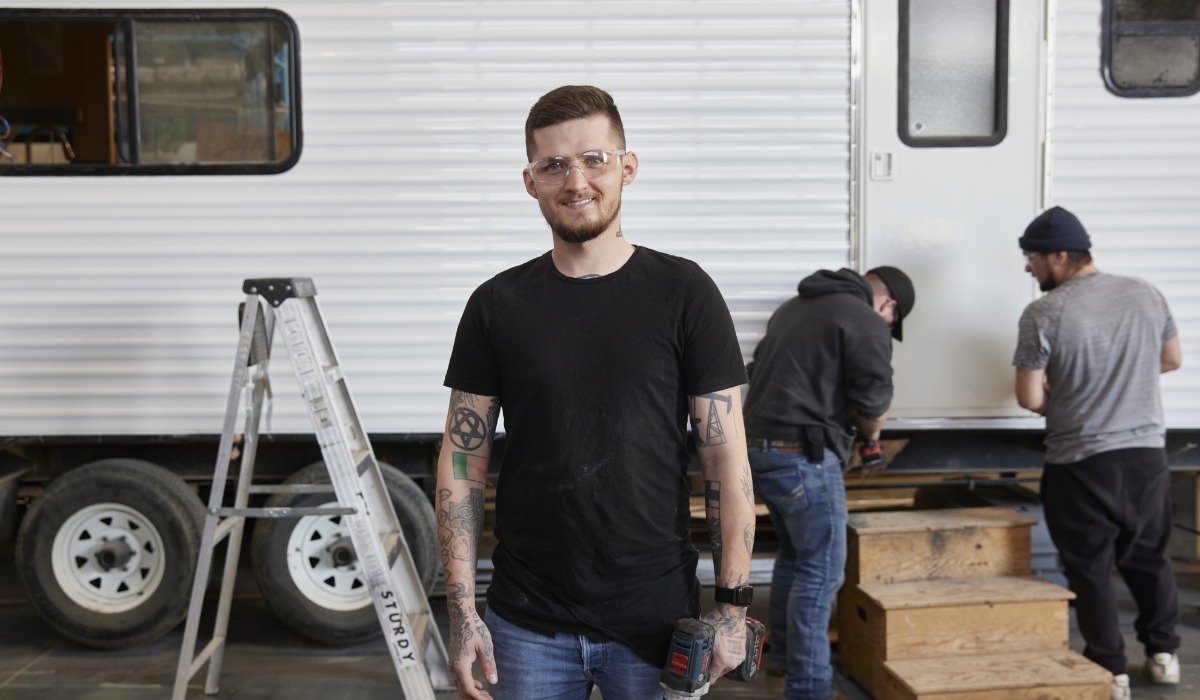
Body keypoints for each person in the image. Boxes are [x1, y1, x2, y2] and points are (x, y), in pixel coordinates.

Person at [436, 85, 755, 700]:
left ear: (627, 168)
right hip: (525, 624)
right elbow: (460, 462)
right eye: (553, 165)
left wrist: (732, 608)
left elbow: (725, 460)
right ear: (530, 182)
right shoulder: (496, 305)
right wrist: (462, 611)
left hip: (657, 620)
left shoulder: (685, 293)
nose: (575, 181)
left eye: (594, 159)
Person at [1012, 206, 1183, 700]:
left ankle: (1112, 670)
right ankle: (1163, 655)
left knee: (1089, 565)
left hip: (1081, 462)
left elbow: (1029, 398)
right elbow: (1171, 359)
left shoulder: (1044, 313)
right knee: (1149, 557)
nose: (1029, 268)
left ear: (1059, 256)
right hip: (1147, 456)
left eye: (1033, 258)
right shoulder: (1145, 292)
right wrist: (1122, 380)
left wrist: (1072, 394)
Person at [742, 265, 915, 700]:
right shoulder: (864, 319)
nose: (886, 326)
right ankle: (810, 688)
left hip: (759, 452)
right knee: (821, 573)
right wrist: (872, 439)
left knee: (796, 558)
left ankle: (780, 658)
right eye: (891, 321)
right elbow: (874, 400)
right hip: (803, 457)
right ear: (888, 306)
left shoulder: (793, 308)